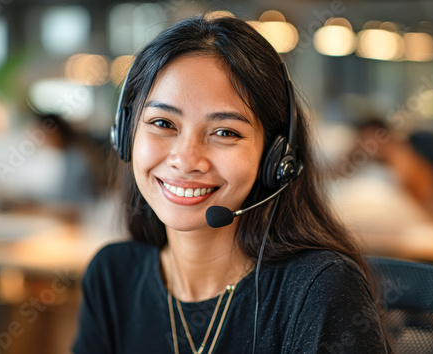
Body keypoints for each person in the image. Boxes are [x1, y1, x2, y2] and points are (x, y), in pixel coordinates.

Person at [73, 16, 393, 353]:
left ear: (275, 158)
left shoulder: (319, 289)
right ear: (126, 134)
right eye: (163, 123)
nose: (186, 159)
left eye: (225, 132)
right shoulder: (113, 277)